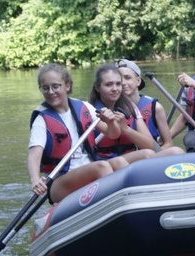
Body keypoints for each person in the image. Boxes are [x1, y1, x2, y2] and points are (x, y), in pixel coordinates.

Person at [28, 63, 130, 204]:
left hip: (88, 168)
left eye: (55, 86)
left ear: (67, 86)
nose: (50, 92)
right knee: (102, 166)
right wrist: (35, 180)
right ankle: (116, 205)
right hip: (59, 180)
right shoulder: (41, 120)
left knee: (120, 162)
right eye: (45, 88)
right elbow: (34, 156)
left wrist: (111, 121)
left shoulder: (84, 107)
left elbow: (113, 134)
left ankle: (131, 202)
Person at [87, 64, 155, 163]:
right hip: (104, 163)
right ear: (97, 88)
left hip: (131, 159)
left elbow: (151, 146)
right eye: (108, 84)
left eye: (118, 84)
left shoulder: (131, 107)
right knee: (147, 155)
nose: (115, 89)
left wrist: (125, 128)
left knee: (175, 151)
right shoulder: (89, 111)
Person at [116, 58, 184, 157]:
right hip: (126, 159)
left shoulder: (155, 107)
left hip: (150, 156)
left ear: (138, 81)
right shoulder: (112, 107)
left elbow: (168, 144)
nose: (123, 83)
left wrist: (156, 152)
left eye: (127, 78)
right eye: (119, 80)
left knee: (176, 151)